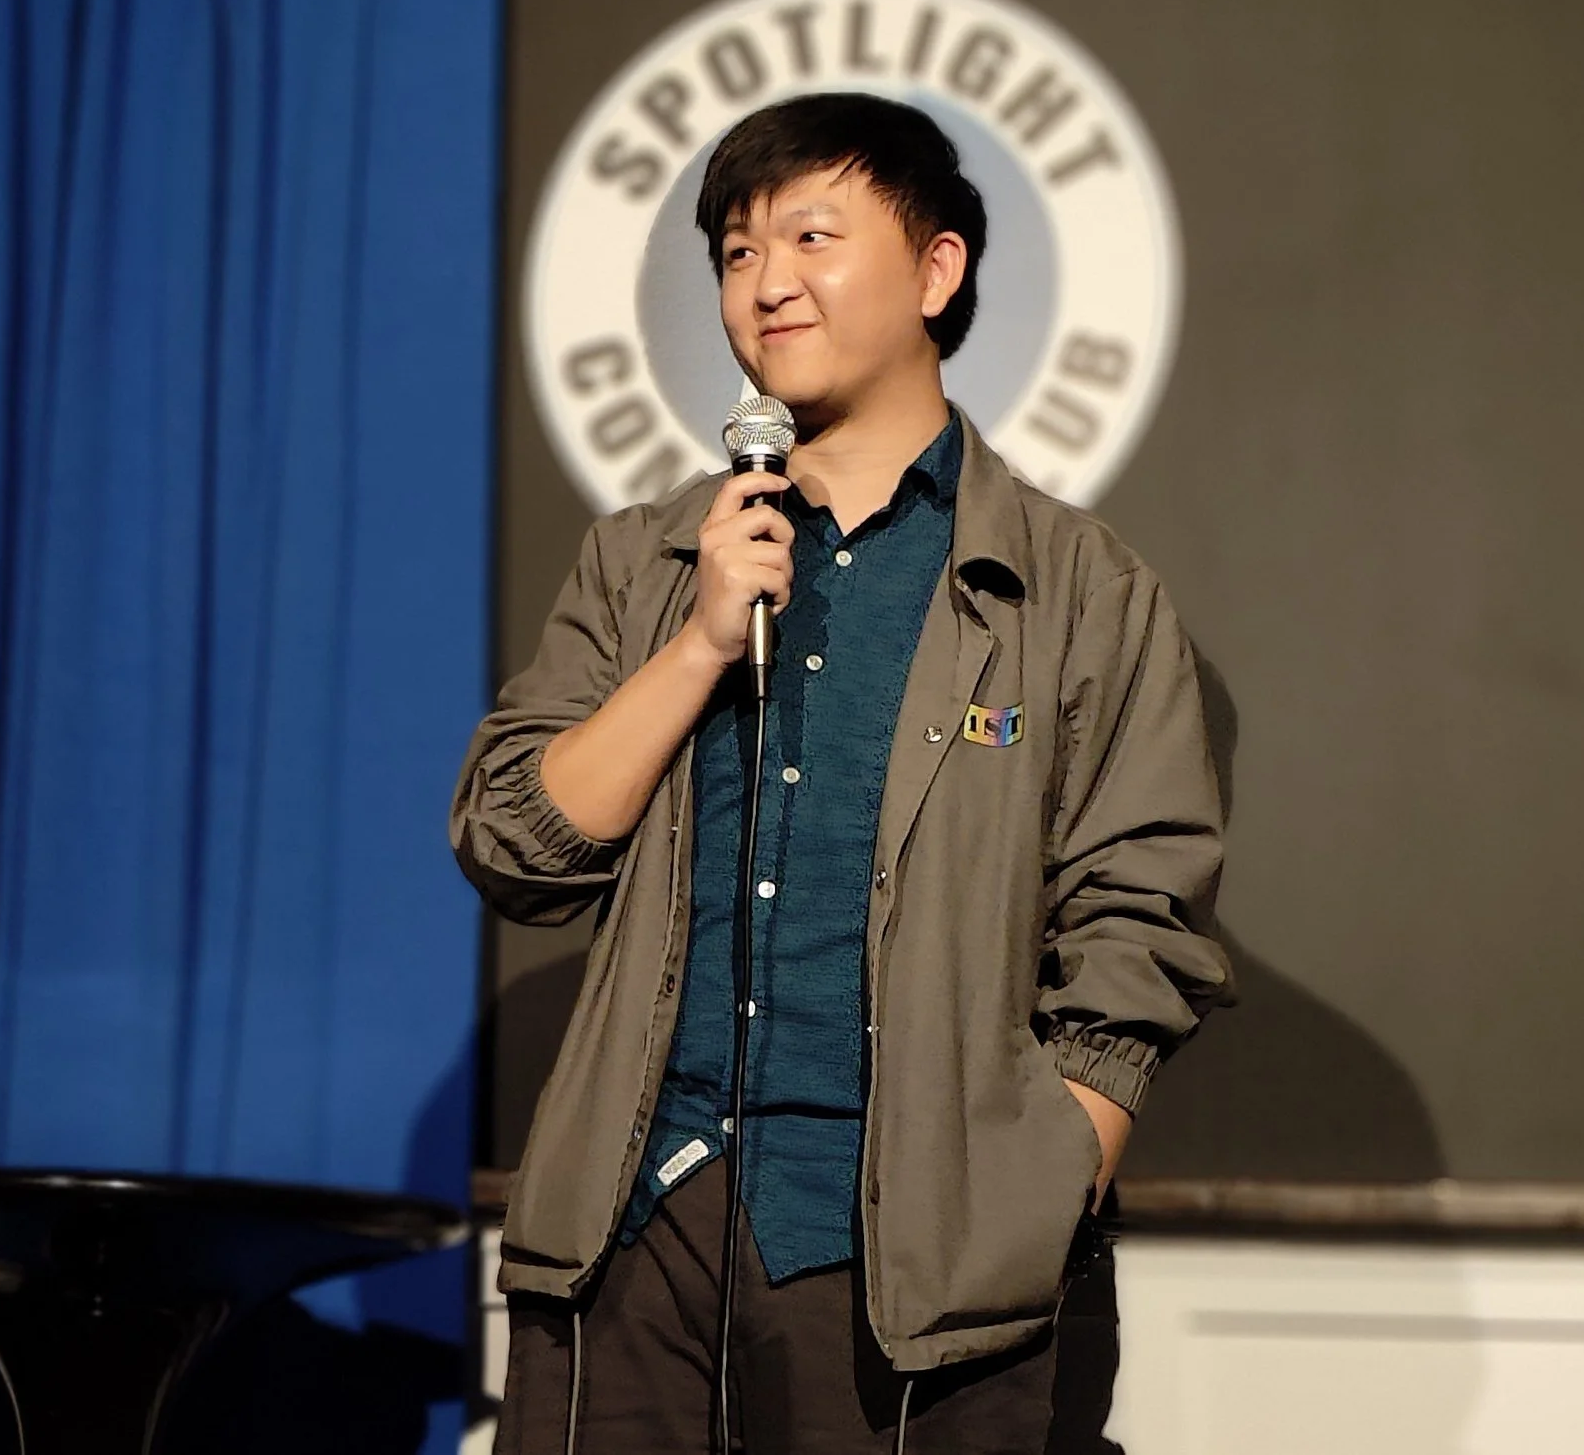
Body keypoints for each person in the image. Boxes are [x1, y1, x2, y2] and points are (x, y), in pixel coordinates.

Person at [453, 92, 1230, 1453]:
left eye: (813, 234)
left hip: (920, 1252)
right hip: (642, 1228)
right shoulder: (651, 558)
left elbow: (1140, 912)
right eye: (739, 252)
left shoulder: (1081, 590)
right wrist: (697, 644)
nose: (768, 283)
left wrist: (1050, 1163)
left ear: (938, 268)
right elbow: (514, 842)